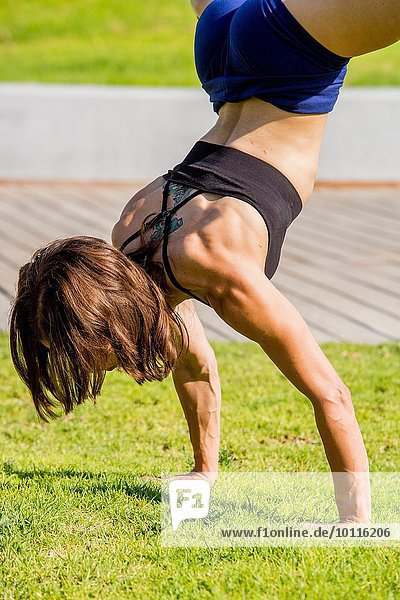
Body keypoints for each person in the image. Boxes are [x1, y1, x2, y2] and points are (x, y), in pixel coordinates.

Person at [10, 0, 400, 523]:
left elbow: (330, 394)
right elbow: (193, 363)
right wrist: (204, 469)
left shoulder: (219, 268)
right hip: (222, 49)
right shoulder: (129, 240)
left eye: (81, 347)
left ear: (108, 325)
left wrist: (355, 524)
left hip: (295, 55)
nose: (85, 363)